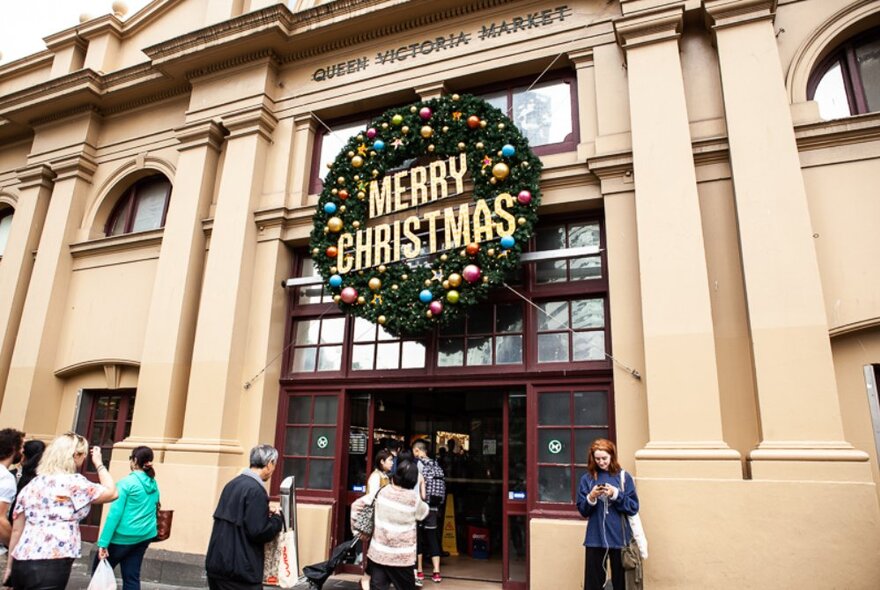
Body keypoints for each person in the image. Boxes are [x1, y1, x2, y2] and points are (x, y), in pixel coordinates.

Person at [4, 432, 117, 590]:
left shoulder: (33, 484)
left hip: (22, 558)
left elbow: (17, 529)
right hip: (54, 557)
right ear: (75, 455)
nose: (84, 459)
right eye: (83, 454)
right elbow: (112, 492)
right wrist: (99, 464)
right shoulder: (74, 483)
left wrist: (9, 567)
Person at [205, 444, 285, 590]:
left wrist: (264, 512)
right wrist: (277, 519)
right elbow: (259, 531)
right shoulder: (256, 490)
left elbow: (238, 517)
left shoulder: (233, 484)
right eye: (274, 465)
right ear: (269, 464)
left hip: (218, 563)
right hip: (239, 570)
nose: (273, 470)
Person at [351, 460, 428, 590]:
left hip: (378, 553)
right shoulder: (413, 499)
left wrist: (357, 531)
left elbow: (356, 505)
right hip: (402, 558)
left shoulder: (381, 492)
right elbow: (423, 513)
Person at [93, 445, 161, 590]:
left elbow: (114, 515)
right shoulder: (153, 483)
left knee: (98, 571)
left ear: (134, 460)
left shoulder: (126, 483)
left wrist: (103, 543)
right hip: (144, 536)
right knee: (131, 577)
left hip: (122, 537)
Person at [576, 439, 639, 590]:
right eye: (597, 459)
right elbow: (583, 511)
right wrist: (591, 497)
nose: (601, 462)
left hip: (620, 539)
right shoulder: (587, 479)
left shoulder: (624, 477)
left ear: (612, 456)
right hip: (595, 538)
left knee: (622, 584)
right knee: (593, 584)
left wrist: (616, 494)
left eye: (604, 458)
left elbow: (633, 507)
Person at [360, 449, 395, 590]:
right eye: (390, 460)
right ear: (382, 462)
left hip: (383, 518)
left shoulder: (384, 476)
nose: (392, 463)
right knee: (375, 550)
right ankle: (367, 579)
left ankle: (370, 579)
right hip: (377, 518)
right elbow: (371, 499)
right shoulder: (376, 477)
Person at [412, 440, 444, 585]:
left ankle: (419, 570)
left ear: (418, 450)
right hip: (434, 507)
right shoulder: (436, 464)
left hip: (421, 506)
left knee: (418, 537)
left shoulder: (418, 464)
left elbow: (418, 488)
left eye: (414, 451)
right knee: (432, 537)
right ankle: (436, 572)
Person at [0, 429, 24, 545]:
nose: (23, 451)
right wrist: (14, 544)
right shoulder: (6, 478)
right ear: (14, 448)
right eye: (21, 447)